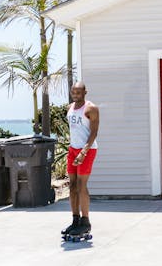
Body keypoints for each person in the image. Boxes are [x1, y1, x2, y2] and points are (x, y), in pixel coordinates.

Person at [61, 81, 99, 238]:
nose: (75, 94)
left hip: (87, 149)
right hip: (72, 149)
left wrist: (84, 151)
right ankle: (75, 220)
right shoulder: (70, 107)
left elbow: (94, 132)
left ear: (85, 92)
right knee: (72, 186)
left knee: (82, 186)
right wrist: (74, 151)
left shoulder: (91, 108)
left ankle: (86, 221)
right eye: (73, 92)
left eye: (78, 92)